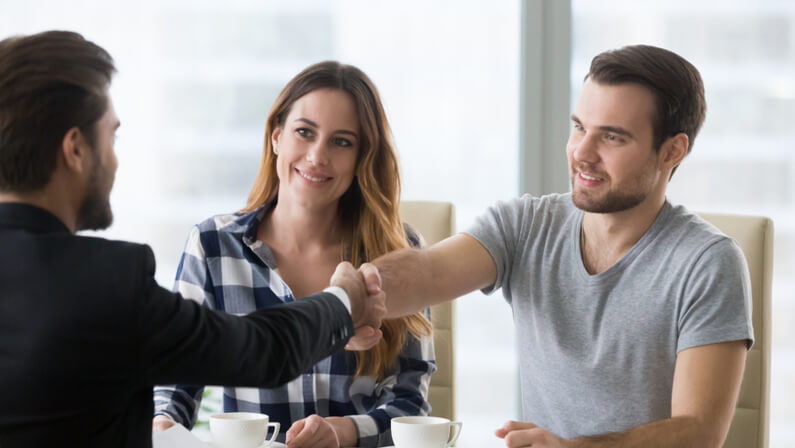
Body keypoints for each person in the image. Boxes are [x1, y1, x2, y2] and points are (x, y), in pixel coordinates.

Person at [350, 45, 754, 447]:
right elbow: (429, 271)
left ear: (672, 151)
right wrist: (360, 292)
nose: (582, 153)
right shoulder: (526, 225)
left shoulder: (708, 262)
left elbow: (699, 430)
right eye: (579, 127)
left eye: (612, 137)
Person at [0, 31, 386, 448]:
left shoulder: (393, 247)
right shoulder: (110, 281)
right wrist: (345, 300)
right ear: (75, 150)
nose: (114, 160)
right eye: (111, 137)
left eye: (341, 141)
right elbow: (263, 351)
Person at [152, 61, 436, 447]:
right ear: (276, 138)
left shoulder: (401, 252)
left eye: (341, 141)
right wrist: (162, 424)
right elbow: (175, 383)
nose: (317, 156)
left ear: (361, 158)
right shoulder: (212, 246)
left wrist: (343, 432)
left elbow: (411, 403)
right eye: (304, 132)